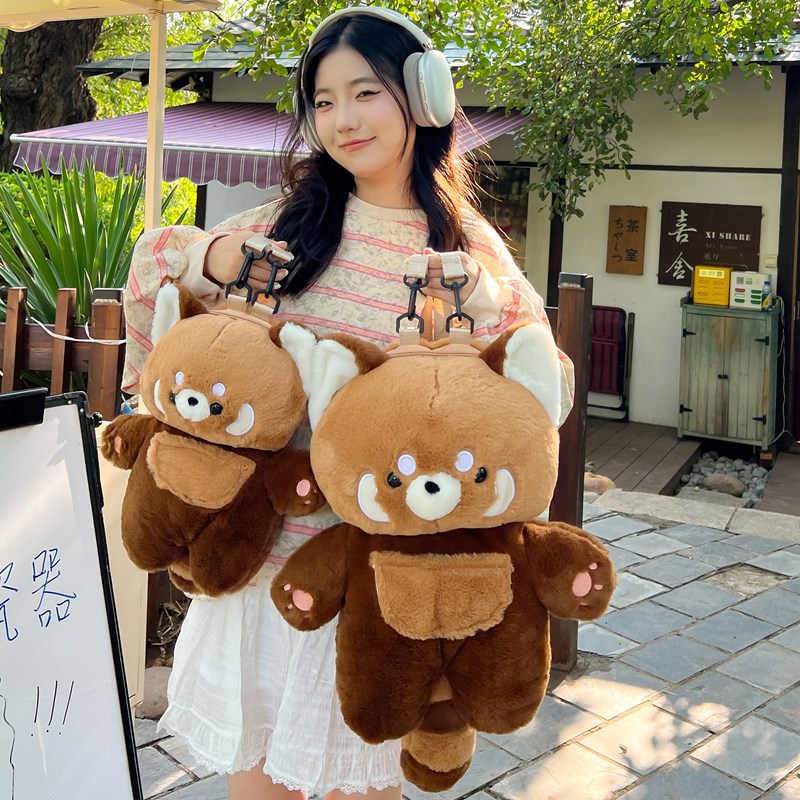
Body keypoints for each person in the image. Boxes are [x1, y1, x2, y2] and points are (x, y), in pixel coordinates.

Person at [122, 7, 574, 800]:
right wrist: (210, 256)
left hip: (374, 596)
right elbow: (146, 278)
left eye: (365, 93)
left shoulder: (465, 255)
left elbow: (549, 395)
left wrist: (482, 335)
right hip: (264, 580)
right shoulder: (288, 227)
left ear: (423, 98)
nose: (343, 120)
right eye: (324, 101)